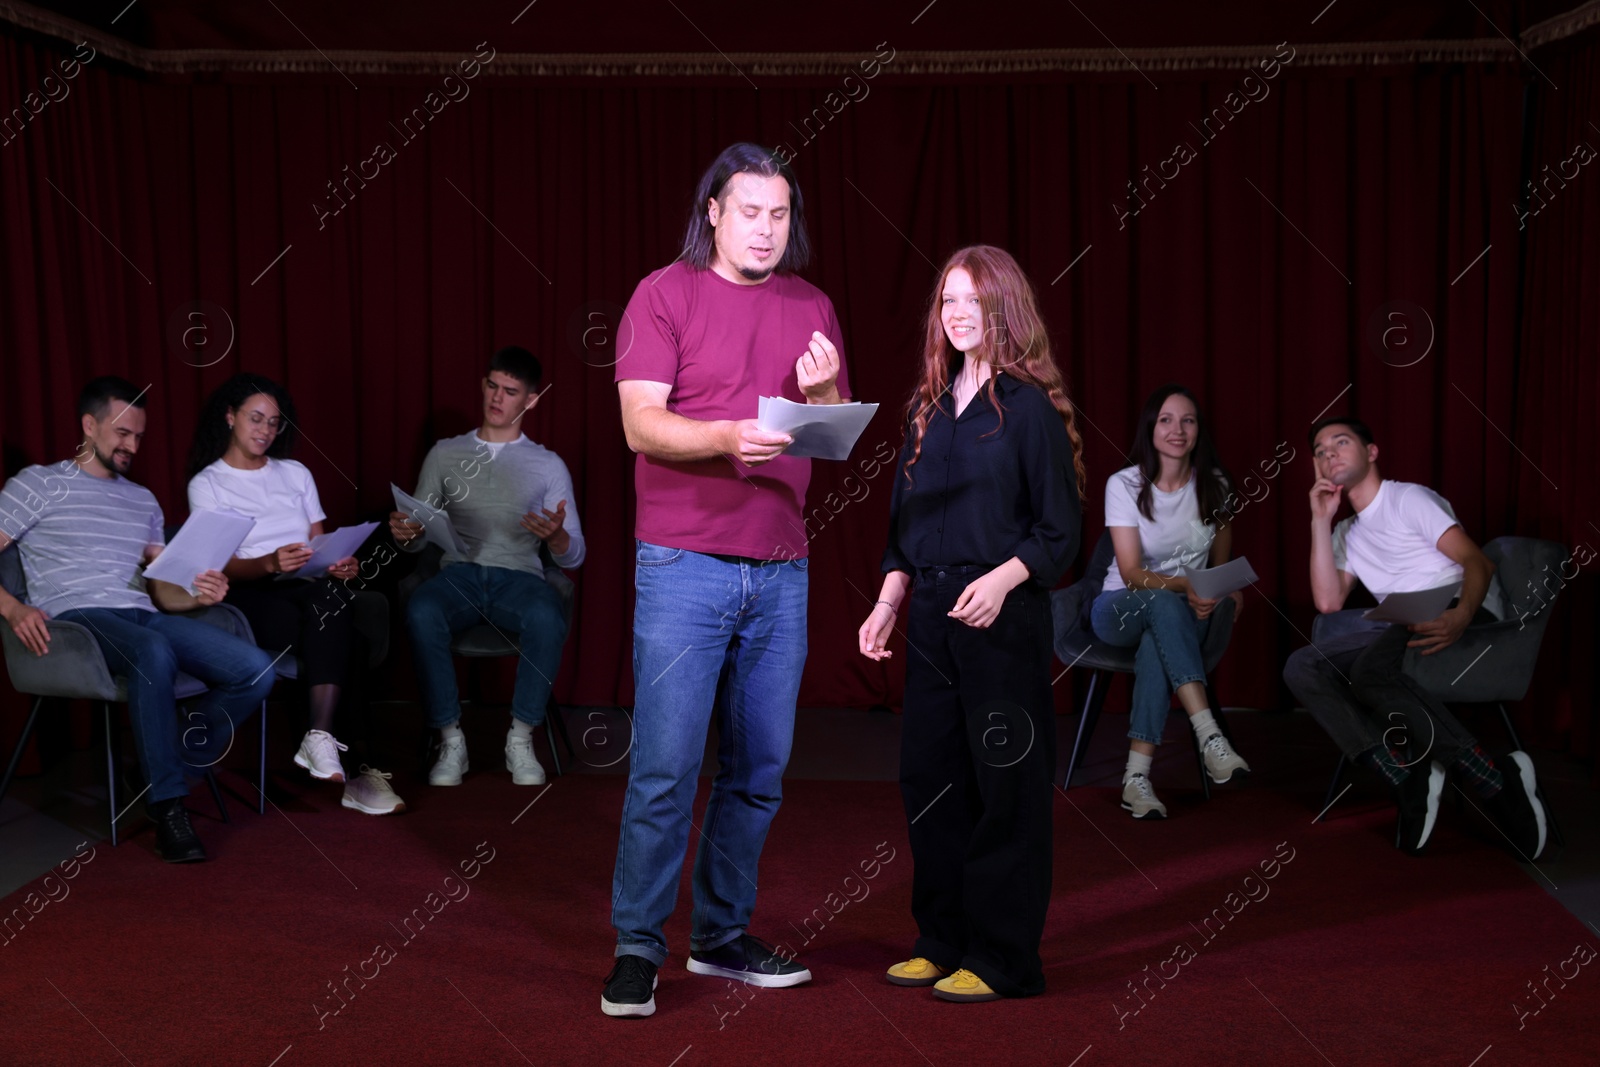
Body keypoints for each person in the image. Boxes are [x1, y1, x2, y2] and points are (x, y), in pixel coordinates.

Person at [603, 142, 849, 1019]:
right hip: (682, 565)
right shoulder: (661, 293)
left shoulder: (812, 303)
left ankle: (718, 936)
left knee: (760, 770)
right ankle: (637, 946)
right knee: (666, 768)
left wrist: (821, 400)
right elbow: (640, 424)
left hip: (782, 570)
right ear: (713, 210)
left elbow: (824, 441)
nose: (766, 229)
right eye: (750, 211)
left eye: (780, 214)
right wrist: (720, 437)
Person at [859, 245, 1084, 1003]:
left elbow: (1059, 531)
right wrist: (889, 602)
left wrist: (1002, 578)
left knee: (1005, 788)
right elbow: (902, 529)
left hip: (1003, 617)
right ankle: (941, 938)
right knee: (931, 781)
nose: (957, 314)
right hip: (929, 617)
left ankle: (1004, 957)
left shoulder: (1027, 409)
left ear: (1004, 312)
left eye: (974, 301)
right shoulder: (927, 410)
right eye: (948, 300)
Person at [0, 376, 276, 862]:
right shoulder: (36, 484)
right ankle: (169, 807)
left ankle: (159, 771)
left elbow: (165, 591)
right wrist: (13, 607)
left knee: (256, 669)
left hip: (143, 614)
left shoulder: (142, 499)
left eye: (139, 436)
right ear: (89, 425)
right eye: (122, 433)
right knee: (153, 650)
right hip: (76, 620)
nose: (132, 445)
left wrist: (199, 592)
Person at [1283, 416, 1545, 859]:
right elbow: (1327, 602)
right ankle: (1403, 773)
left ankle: (1494, 778)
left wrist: (1462, 615)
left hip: (1457, 609)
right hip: (1400, 623)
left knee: (1369, 671)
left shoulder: (1408, 498)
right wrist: (1320, 521)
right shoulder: (1347, 532)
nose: (1330, 453)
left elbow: (1476, 563)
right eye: (1321, 450)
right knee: (1302, 666)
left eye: (1341, 442)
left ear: (1371, 452)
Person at [186, 373, 402, 816]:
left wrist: (341, 564)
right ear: (230, 417)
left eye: (274, 423)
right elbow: (213, 565)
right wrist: (268, 563)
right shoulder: (207, 484)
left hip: (309, 589)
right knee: (350, 640)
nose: (265, 430)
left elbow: (319, 546)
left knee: (333, 602)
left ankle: (321, 739)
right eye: (256, 419)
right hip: (248, 594)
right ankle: (358, 769)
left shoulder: (295, 473)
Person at [390, 345, 585, 790]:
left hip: (519, 577)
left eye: (510, 391)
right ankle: (450, 738)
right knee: (422, 610)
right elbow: (418, 533)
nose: (498, 399)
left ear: (530, 401)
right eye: (492, 387)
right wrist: (409, 535)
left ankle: (520, 737)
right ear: (484, 386)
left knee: (546, 616)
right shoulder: (444, 453)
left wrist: (556, 538)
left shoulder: (547, 464)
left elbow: (576, 556)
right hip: (459, 573)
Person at [1089, 385, 1251, 820]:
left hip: (1183, 614)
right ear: (1150, 428)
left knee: (1156, 642)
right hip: (1117, 609)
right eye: (1166, 419)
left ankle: (1136, 778)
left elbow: (1219, 567)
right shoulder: (1123, 484)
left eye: (1188, 420)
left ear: (1198, 431)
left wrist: (1222, 588)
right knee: (1160, 604)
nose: (1177, 429)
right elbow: (1131, 574)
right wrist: (1190, 587)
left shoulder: (1215, 485)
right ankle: (1209, 734)